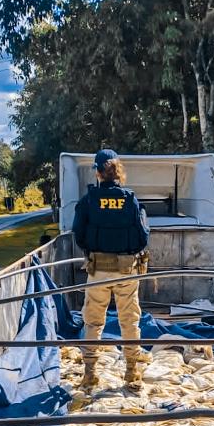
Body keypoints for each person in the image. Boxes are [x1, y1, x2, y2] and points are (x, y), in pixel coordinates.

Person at [72, 149, 150, 390]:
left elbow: (78, 233)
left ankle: (90, 374)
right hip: (126, 270)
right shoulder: (130, 199)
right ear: (118, 172)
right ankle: (131, 372)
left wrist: (93, 249)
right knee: (130, 321)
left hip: (98, 271)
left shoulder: (88, 201)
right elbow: (142, 236)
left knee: (93, 322)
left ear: (97, 172)